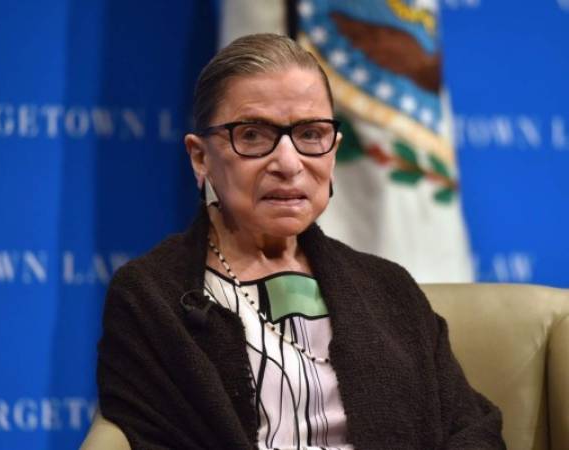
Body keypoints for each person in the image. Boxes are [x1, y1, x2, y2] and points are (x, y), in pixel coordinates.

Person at [96, 34, 505, 450]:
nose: (289, 164)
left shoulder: (389, 289)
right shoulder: (150, 297)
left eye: (311, 134)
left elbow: (472, 430)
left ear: (334, 151)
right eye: (253, 135)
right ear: (201, 158)